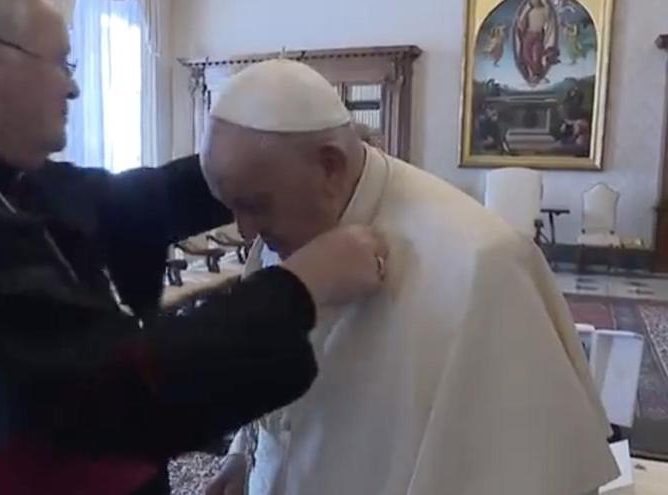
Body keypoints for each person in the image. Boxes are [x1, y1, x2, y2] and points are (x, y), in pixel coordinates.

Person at [0, 2, 389, 495]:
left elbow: (138, 200)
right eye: (62, 62)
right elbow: (107, 393)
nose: (75, 87)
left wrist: (273, 156)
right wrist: (304, 287)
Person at [203, 59, 618, 495]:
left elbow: (530, 473)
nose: (245, 232)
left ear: (329, 167)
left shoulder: (483, 264)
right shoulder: (279, 231)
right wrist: (243, 456)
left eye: (254, 206)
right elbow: (278, 394)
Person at [513, 0, 560, 85]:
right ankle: (534, 74)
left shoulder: (544, 10)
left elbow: (548, 16)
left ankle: (538, 74)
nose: (534, 1)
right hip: (529, 34)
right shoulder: (529, 11)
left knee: (537, 56)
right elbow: (524, 24)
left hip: (538, 35)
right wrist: (521, 25)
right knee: (526, 55)